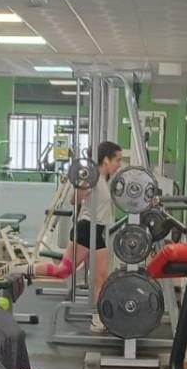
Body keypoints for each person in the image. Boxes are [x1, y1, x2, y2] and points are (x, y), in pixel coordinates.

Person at [28, 140, 124, 332]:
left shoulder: (105, 179)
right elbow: (74, 199)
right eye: (117, 160)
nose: (119, 164)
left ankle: (98, 319)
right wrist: (83, 188)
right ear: (106, 159)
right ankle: (25, 269)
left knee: (100, 277)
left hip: (98, 231)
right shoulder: (93, 177)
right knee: (63, 271)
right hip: (86, 229)